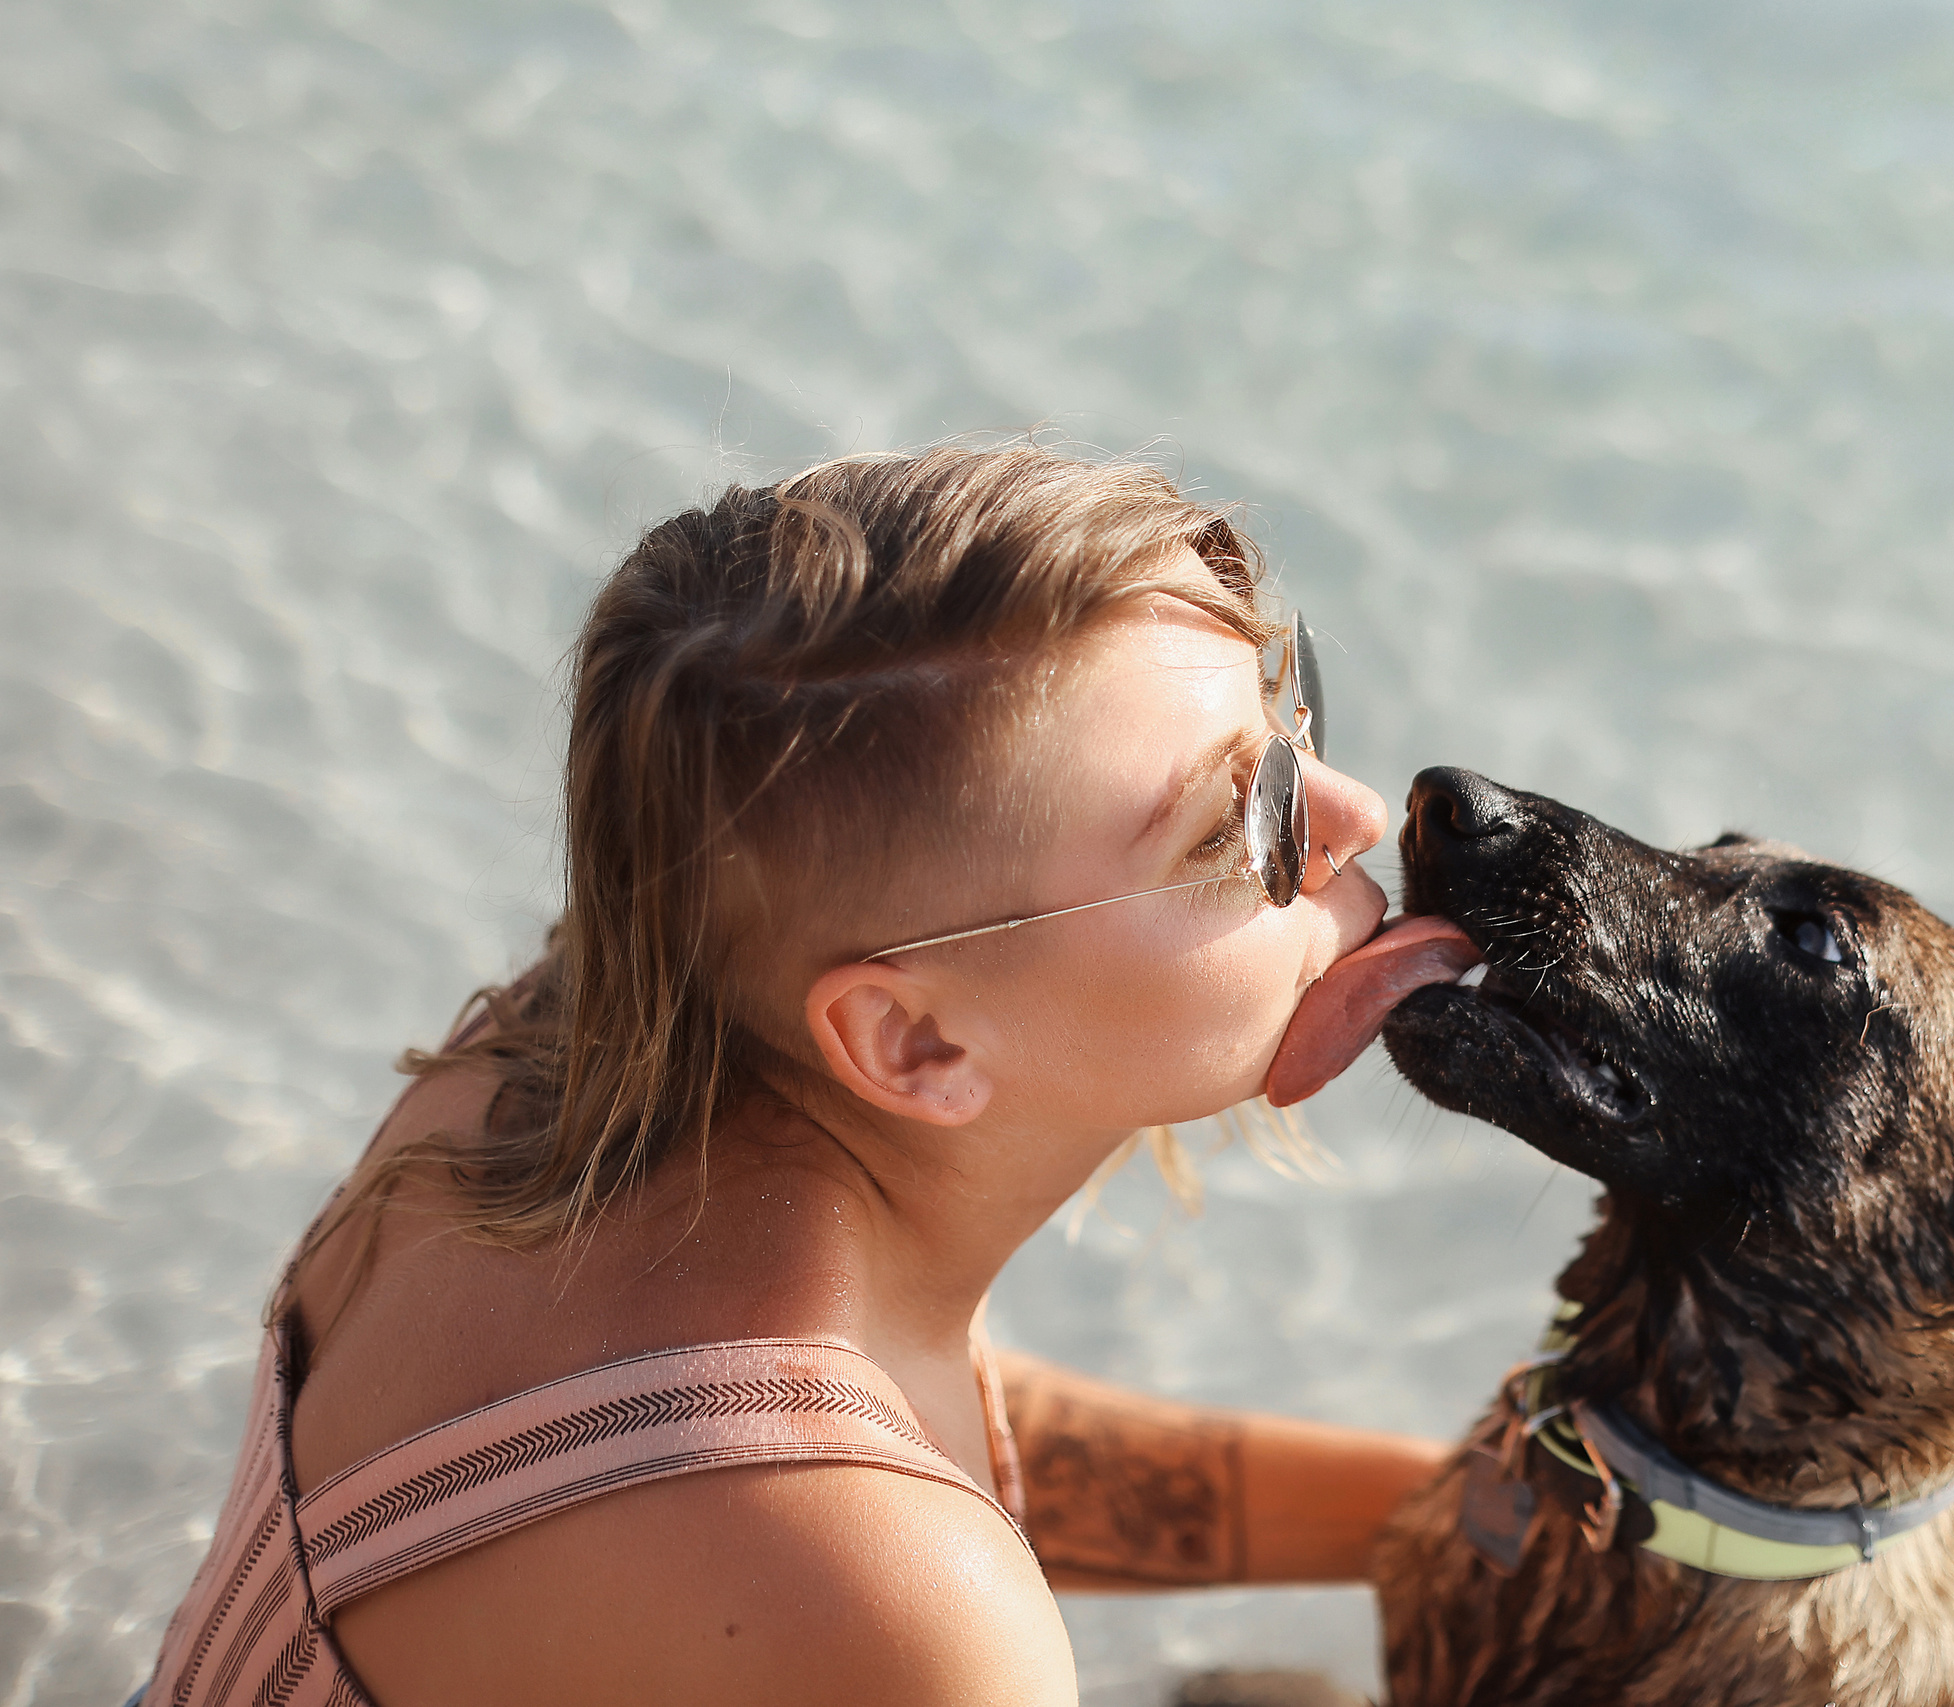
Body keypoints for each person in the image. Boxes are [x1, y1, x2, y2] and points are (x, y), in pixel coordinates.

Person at [138, 445, 1447, 1706]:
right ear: (914, 1044)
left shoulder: (571, 1062)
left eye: (1289, 707)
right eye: (1234, 826)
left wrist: (1443, 1517)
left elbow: (891, 1431)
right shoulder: (903, 1610)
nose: (1356, 813)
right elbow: (841, 1538)